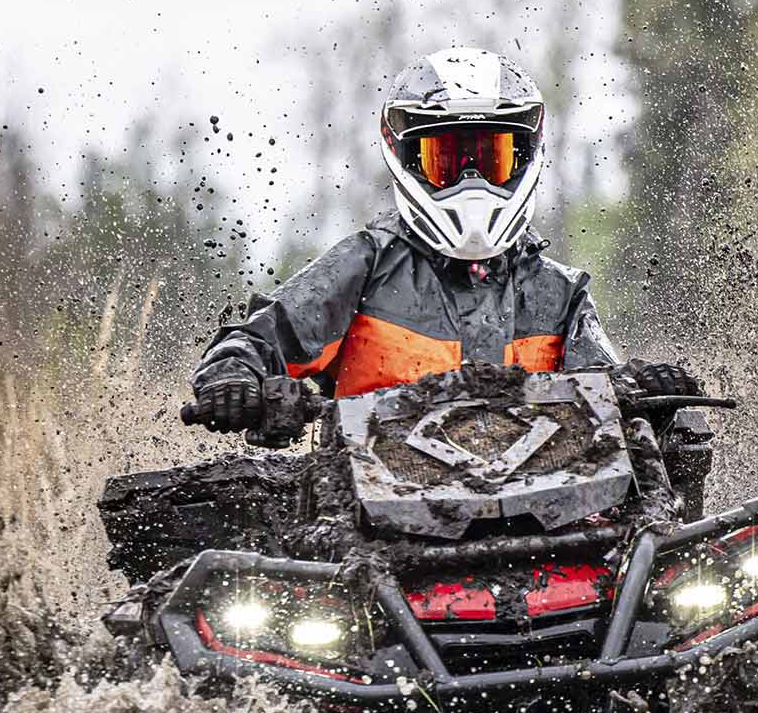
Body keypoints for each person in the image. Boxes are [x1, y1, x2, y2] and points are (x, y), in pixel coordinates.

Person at [187, 46, 623, 436]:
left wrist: (651, 390)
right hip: (364, 507)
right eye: (446, 161)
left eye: (491, 156)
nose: (471, 181)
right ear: (407, 159)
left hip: (547, 505)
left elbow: (608, 397)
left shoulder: (560, 293)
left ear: (525, 157)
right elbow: (259, 339)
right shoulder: (366, 264)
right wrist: (234, 379)